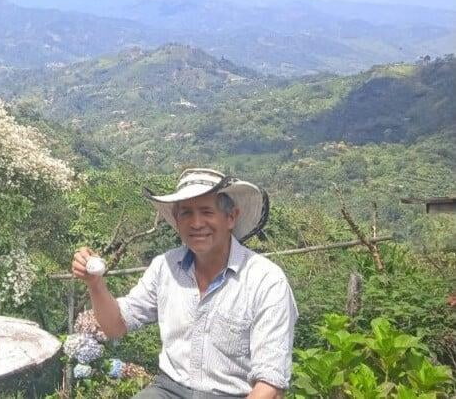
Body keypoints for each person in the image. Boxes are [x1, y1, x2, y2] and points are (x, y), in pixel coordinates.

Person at [72, 168, 297, 398]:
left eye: (206, 211)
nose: (196, 223)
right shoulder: (165, 267)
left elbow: (270, 385)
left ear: (231, 217)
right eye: (186, 213)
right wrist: (95, 283)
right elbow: (115, 326)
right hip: (168, 390)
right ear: (177, 221)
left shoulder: (266, 281)